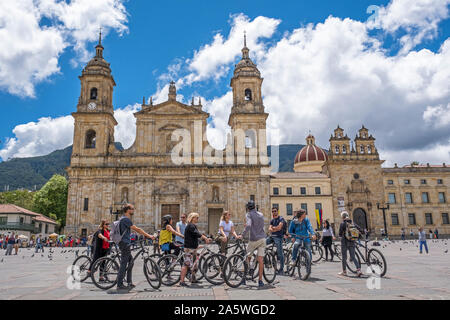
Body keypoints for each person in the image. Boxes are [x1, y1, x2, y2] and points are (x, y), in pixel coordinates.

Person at [116, 203, 155, 292]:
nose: (133, 210)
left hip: (125, 243)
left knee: (131, 262)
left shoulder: (123, 219)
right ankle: (119, 284)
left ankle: (129, 281)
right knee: (124, 263)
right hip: (125, 243)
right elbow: (137, 229)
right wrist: (149, 235)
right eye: (132, 209)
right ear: (128, 210)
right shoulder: (126, 219)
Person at [179, 212, 212, 286]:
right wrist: (205, 238)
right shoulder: (190, 226)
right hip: (189, 248)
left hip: (193, 247)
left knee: (194, 265)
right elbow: (197, 233)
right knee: (186, 264)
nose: (197, 219)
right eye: (197, 217)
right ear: (192, 218)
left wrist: (203, 239)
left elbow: (196, 235)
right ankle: (182, 281)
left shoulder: (193, 225)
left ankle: (193, 279)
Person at [242, 201, 266, 288]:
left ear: (248, 208)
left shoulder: (248, 214)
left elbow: (248, 225)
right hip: (262, 238)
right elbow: (262, 225)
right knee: (260, 260)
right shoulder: (261, 214)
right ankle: (260, 281)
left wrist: (242, 234)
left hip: (253, 239)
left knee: (247, 257)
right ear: (255, 207)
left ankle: (244, 278)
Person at [338, 211, 363, 277]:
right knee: (353, 257)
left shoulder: (342, 223)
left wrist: (341, 235)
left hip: (344, 242)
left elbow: (340, 233)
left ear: (342, 217)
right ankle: (358, 270)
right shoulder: (352, 223)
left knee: (344, 257)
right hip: (352, 241)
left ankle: (344, 271)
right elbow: (360, 229)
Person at [266, 207, 286, 275]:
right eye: (272, 211)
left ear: (278, 211)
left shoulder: (281, 219)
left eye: (275, 211)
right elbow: (269, 228)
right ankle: (267, 260)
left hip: (278, 237)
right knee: (263, 244)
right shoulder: (272, 220)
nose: (274, 212)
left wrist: (274, 228)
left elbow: (279, 227)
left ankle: (281, 269)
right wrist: (275, 228)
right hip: (272, 237)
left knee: (280, 254)